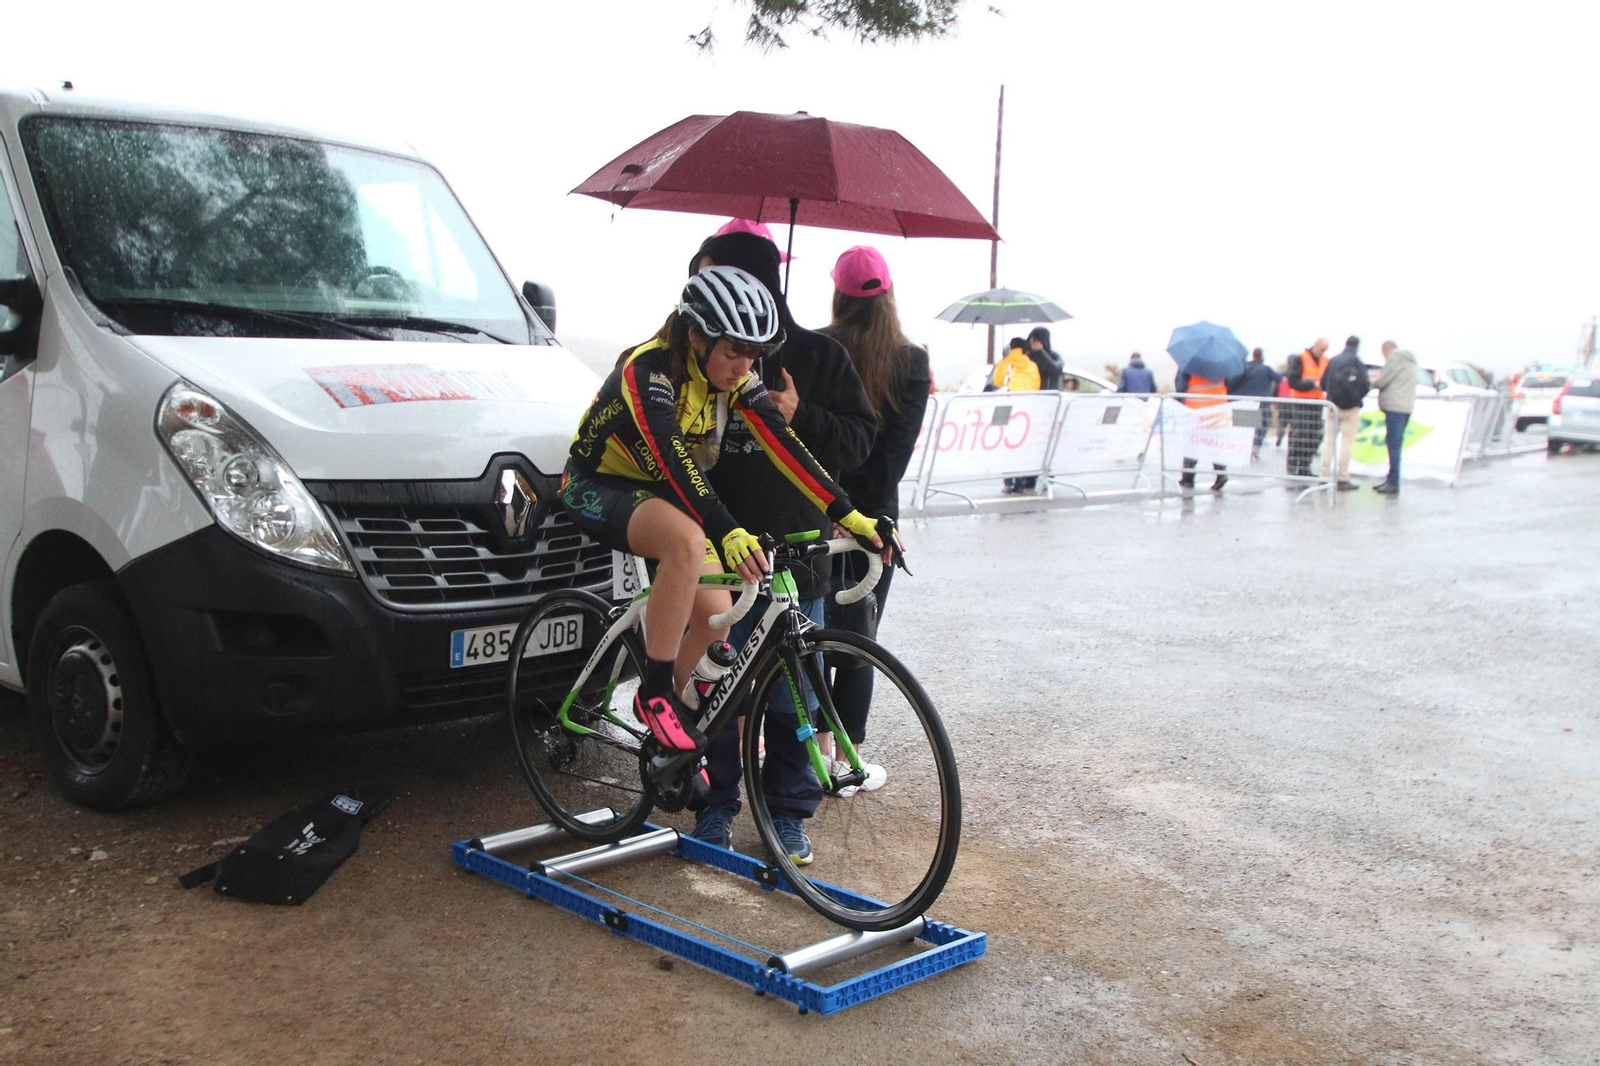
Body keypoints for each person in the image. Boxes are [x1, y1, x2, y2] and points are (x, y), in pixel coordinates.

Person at [560, 264, 890, 863]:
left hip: (664, 496)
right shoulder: (648, 369)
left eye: (755, 354)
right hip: (597, 486)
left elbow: (786, 446)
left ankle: (672, 740)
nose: (746, 365)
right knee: (689, 542)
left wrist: (853, 513)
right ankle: (653, 695)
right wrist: (727, 529)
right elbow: (671, 460)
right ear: (698, 336)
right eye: (736, 352)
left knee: (718, 626)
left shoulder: (735, 377)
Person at [685, 230, 879, 858]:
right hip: (724, 556)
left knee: (797, 685)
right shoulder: (701, 355)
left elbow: (860, 443)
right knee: (717, 684)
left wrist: (802, 418)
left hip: (798, 559)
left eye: (716, 274)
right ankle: (714, 804)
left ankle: (786, 812)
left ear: (756, 281)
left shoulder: (820, 357)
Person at [817, 246, 931, 796]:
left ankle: (813, 753)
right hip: (875, 520)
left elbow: (808, 443)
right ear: (887, 296)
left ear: (838, 294)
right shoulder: (910, 361)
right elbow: (894, 457)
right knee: (861, 635)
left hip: (817, 511)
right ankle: (850, 759)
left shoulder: (817, 349)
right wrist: (867, 518)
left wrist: (834, 509)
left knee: (810, 631)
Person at [991, 337, 1041, 493]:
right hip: (1025, 409)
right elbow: (1036, 386)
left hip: (1006, 406)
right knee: (1020, 444)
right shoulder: (1032, 365)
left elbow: (997, 383)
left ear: (1011, 347)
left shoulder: (1005, 363)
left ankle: (1007, 482)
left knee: (1004, 444)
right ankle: (1020, 481)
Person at [1321, 335, 1370, 490]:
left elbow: (1323, 382)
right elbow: (1365, 385)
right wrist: (1356, 398)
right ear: (1357, 346)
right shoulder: (1359, 363)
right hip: (1352, 408)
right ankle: (1343, 477)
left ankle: (1324, 475)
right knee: (1346, 443)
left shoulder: (1333, 361)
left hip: (1332, 406)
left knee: (1329, 440)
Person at [1370, 340, 1418, 495]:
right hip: (1406, 407)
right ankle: (1391, 478)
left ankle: (1393, 482)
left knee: (1393, 445)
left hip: (1394, 407)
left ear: (1385, 350)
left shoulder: (1394, 359)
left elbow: (1382, 381)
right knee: (1396, 444)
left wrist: (1370, 382)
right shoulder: (1410, 362)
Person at [1174, 368, 1228, 490]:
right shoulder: (1221, 366)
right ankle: (1221, 474)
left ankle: (1188, 478)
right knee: (1215, 444)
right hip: (1217, 410)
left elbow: (1181, 386)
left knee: (1191, 444)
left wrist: (1179, 401)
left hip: (1195, 409)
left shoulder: (1188, 366)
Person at [1285, 337, 1331, 477]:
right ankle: (1293, 464)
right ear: (1315, 345)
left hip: (1317, 403)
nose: (1323, 352)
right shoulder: (1300, 358)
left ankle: (1305, 466)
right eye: (1322, 349)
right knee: (1300, 434)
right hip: (1301, 402)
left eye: (1325, 350)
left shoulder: (1326, 361)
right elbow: (1293, 381)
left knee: (1313, 435)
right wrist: (1311, 384)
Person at [1227, 347, 1280, 457]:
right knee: (1262, 424)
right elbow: (1279, 378)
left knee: (1244, 427)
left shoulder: (1244, 368)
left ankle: (1242, 447)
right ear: (1262, 356)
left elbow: (1233, 383)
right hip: (1262, 401)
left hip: (1244, 402)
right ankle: (1256, 446)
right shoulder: (1266, 369)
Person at [1026, 326, 1065, 392]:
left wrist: (1041, 351)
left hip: (1051, 395)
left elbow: (1055, 370)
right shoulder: (1028, 357)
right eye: (1031, 340)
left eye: (1035, 340)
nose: (1033, 343)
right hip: (1032, 394)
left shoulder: (1054, 356)